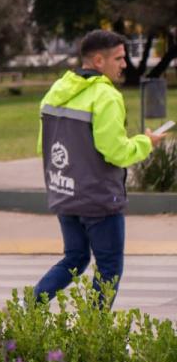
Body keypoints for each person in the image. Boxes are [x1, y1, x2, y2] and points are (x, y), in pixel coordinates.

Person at [33, 30, 163, 307]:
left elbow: (42, 146)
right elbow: (115, 152)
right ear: (98, 61)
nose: (125, 64)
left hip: (65, 195)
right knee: (108, 268)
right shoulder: (106, 96)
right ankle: (92, 333)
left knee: (75, 258)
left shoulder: (55, 91)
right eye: (119, 58)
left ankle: (28, 306)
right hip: (99, 200)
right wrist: (146, 142)